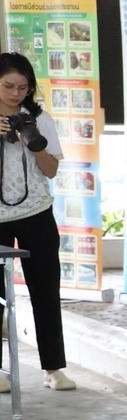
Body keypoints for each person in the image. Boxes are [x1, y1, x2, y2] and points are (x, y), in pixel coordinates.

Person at [0, 53, 73, 390]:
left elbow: (51, 170)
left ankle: (54, 369)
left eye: (23, 88)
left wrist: (33, 144)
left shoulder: (40, 119)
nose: (16, 94)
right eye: (8, 86)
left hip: (37, 214)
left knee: (45, 291)